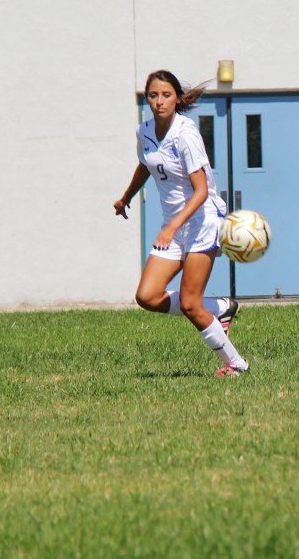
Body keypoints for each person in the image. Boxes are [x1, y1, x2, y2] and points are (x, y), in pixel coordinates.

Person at [113, 70, 248, 377]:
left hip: (202, 220)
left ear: (176, 99)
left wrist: (172, 227)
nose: (159, 101)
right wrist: (126, 197)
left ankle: (237, 364)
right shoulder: (144, 131)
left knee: (189, 304)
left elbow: (201, 191)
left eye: (166, 95)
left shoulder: (186, 134)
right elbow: (146, 165)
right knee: (147, 296)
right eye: (153, 95)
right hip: (173, 224)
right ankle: (219, 308)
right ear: (147, 99)